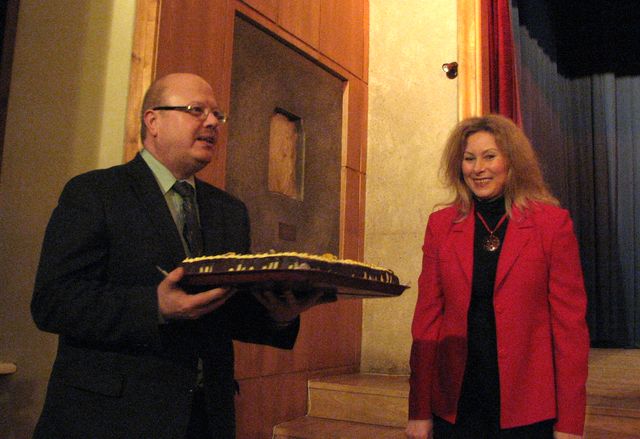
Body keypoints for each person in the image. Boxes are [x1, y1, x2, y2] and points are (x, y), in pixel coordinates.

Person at [31, 73, 321, 439]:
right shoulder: (95, 193)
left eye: (217, 114)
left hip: (204, 419)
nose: (212, 122)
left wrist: (278, 317)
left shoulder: (229, 211)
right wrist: (155, 306)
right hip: (111, 418)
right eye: (196, 110)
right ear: (153, 121)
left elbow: (222, 311)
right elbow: (53, 302)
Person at [406, 114, 589, 439]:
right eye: (469, 159)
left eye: (489, 156)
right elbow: (426, 323)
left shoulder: (552, 225)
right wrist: (419, 410)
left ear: (512, 161)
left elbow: (569, 330)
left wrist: (570, 422)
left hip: (527, 405)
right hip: (456, 402)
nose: (478, 168)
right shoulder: (440, 225)